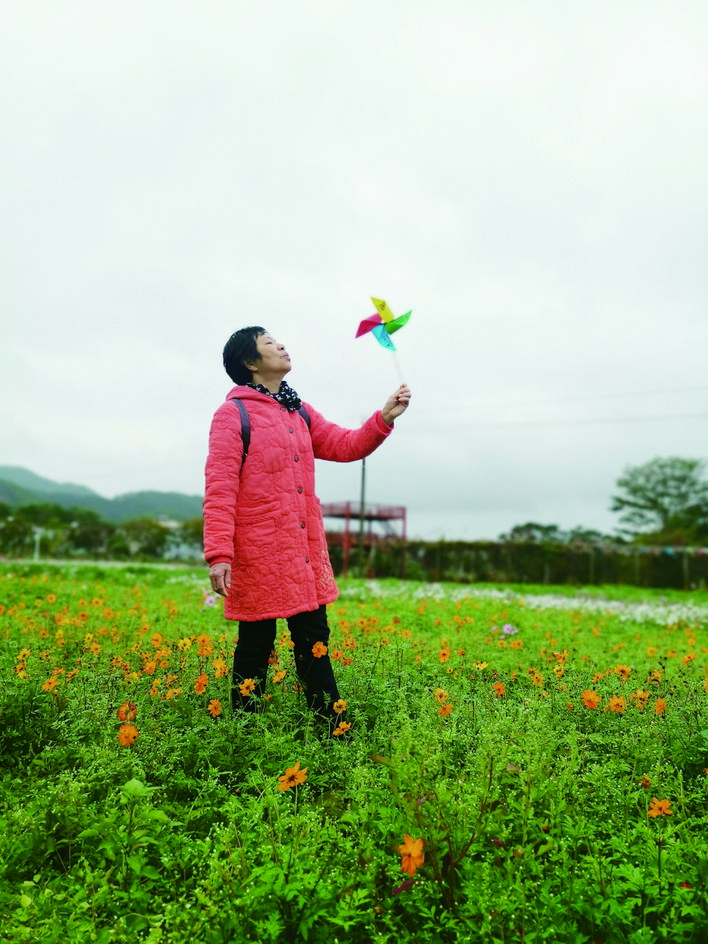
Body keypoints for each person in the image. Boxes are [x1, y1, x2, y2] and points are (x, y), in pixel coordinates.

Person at [204, 326, 411, 730]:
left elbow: (346, 445)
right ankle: (245, 734)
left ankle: (332, 730)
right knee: (255, 647)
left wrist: (383, 417)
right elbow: (219, 487)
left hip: (302, 549)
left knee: (314, 641)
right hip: (258, 550)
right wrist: (219, 554)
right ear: (250, 362)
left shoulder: (299, 411)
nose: (281, 345)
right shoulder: (233, 415)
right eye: (269, 343)